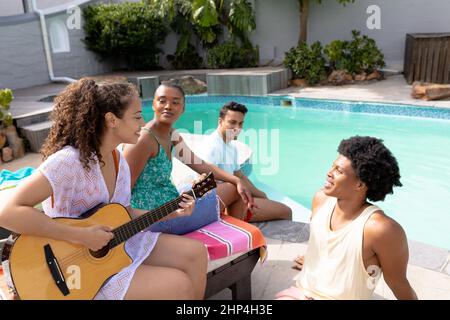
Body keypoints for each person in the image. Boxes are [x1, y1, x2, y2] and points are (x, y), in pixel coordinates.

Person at [0, 78, 207, 300]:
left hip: (115, 246)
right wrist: (81, 236)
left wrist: (171, 213)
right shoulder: (69, 161)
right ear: (112, 120)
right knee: (179, 285)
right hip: (73, 269)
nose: (143, 122)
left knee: (196, 253)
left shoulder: (118, 159)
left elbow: (124, 213)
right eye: (137, 116)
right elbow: (7, 212)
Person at [277, 136, 418, 300]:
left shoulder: (380, 229)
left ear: (360, 184)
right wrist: (314, 261)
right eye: (332, 166)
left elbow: (398, 283)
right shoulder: (320, 200)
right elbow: (328, 246)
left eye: (339, 171)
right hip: (302, 293)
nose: (329, 173)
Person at [123, 84, 256, 225]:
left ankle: (232, 231)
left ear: (183, 109)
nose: (168, 106)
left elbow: (199, 164)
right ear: (153, 105)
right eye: (162, 101)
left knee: (231, 185)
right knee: (232, 190)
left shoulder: (171, 134)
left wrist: (237, 180)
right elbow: (122, 190)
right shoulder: (144, 139)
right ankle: (234, 234)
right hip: (155, 217)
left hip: (173, 204)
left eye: (175, 102)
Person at [198, 101, 292, 222]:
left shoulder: (230, 145)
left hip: (236, 199)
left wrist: (260, 194)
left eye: (240, 123)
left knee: (270, 203)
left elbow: (240, 175)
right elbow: (205, 183)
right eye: (232, 122)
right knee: (286, 212)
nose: (237, 128)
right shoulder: (211, 147)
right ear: (220, 121)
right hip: (226, 207)